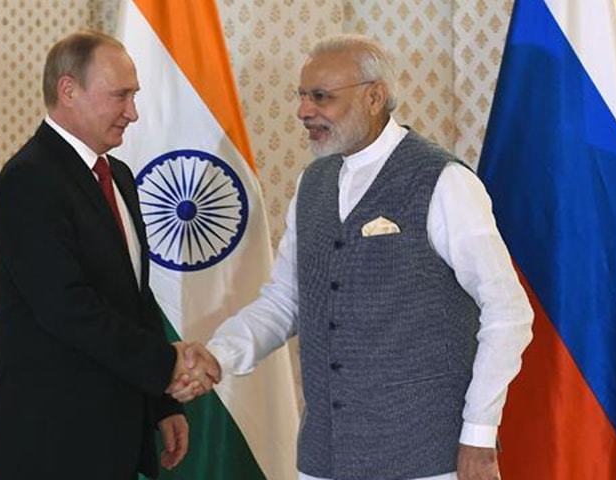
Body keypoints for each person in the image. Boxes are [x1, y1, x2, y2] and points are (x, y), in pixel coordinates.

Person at [174, 34, 534, 480]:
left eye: (321, 97)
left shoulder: (444, 182)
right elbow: (286, 300)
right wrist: (217, 356)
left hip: (426, 460)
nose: (304, 111)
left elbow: (509, 312)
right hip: (324, 459)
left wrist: (479, 435)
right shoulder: (313, 184)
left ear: (374, 96)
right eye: (302, 96)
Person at [0, 31, 217, 480]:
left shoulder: (118, 176)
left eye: (134, 95)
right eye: (120, 95)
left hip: (111, 425)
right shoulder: (29, 179)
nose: (132, 112)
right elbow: (67, 307)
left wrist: (160, 403)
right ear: (68, 90)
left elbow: (133, 296)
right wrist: (165, 365)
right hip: (48, 432)